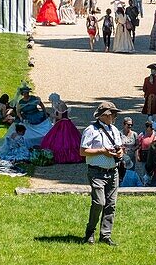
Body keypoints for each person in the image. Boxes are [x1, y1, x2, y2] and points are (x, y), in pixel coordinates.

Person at [80, 101, 123, 246]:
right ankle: (90, 232)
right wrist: (102, 151)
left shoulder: (115, 130)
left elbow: (120, 146)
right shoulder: (91, 130)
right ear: (104, 115)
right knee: (99, 202)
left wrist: (120, 152)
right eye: (113, 114)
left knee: (111, 205)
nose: (115, 116)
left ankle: (105, 235)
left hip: (113, 172)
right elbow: (82, 151)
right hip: (96, 171)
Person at [39, 93, 82, 164]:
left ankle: (62, 157)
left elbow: (60, 117)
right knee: (71, 139)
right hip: (67, 122)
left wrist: (51, 115)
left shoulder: (59, 105)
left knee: (60, 139)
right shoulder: (62, 103)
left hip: (62, 123)